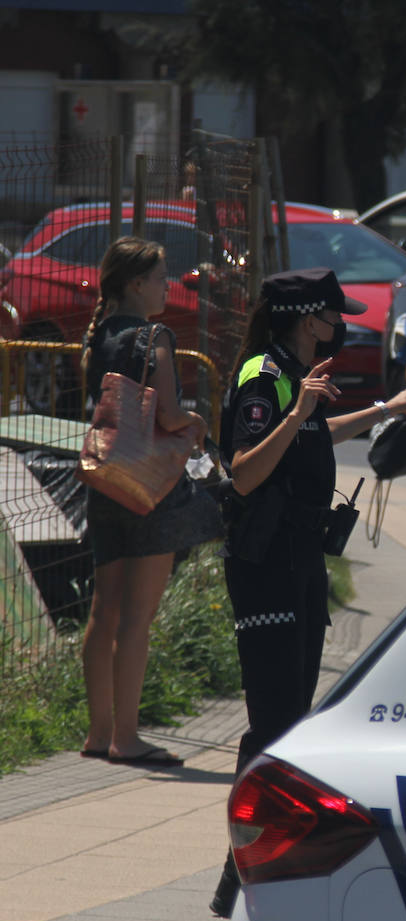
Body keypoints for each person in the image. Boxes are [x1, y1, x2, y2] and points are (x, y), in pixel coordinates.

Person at [211, 267, 406, 917]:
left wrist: (382, 411)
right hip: (266, 565)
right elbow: (246, 474)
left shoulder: (294, 379)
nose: (342, 326)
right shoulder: (265, 376)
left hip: (303, 562)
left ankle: (254, 869)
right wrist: (301, 408)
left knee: (291, 721)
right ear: (308, 319)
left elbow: (311, 435)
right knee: (273, 725)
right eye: (335, 316)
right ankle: (242, 872)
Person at [79, 236, 220, 767]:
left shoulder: (100, 335)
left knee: (104, 609)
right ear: (137, 283)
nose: (169, 284)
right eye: (162, 276)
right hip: (151, 487)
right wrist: (198, 422)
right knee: (138, 617)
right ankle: (127, 736)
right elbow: (167, 414)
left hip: (107, 478)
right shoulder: (153, 335)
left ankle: (97, 732)